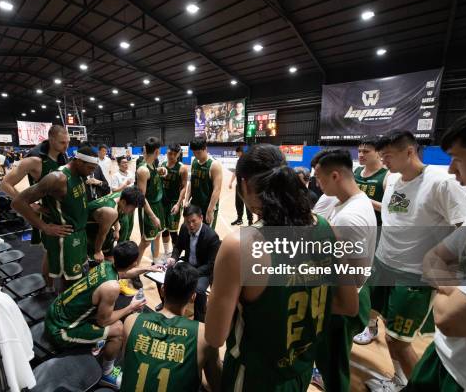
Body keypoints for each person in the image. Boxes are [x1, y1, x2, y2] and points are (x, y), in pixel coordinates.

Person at [205, 144, 358, 391]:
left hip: (254, 377)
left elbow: (214, 337)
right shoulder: (328, 228)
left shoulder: (240, 245)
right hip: (301, 371)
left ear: (244, 185)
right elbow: (349, 306)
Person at [362, 130, 466, 391]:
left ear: (409, 151)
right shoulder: (394, 180)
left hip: (413, 275)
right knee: (386, 328)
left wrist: (449, 274)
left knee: (398, 342)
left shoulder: (441, 182)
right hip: (384, 265)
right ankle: (398, 380)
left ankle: (414, 386)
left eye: (387, 155)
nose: (384, 160)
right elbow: (396, 215)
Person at [405, 109, 466, 392]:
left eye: (458, 159)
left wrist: (454, 301)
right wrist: (458, 291)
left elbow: (450, 320)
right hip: (444, 354)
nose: (452, 169)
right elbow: (433, 257)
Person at [44, 241, 160, 389]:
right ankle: (107, 374)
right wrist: (131, 307)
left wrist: (149, 268)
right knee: (118, 329)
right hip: (61, 330)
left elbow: (125, 273)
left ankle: (96, 340)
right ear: (134, 262)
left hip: (56, 311)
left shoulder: (106, 265)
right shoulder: (112, 287)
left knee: (104, 311)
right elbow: (104, 321)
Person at [310, 149, 377, 392]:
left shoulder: (350, 217)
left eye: (319, 178)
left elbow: (355, 274)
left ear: (335, 175)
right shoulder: (352, 202)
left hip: (342, 303)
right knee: (332, 362)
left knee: (334, 370)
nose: (316, 184)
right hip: (352, 295)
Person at [121, 263, 222, 392]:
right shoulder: (204, 334)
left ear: (162, 290)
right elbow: (218, 385)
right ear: (193, 297)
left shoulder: (131, 321)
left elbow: (129, 364)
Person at [11, 146, 98, 287]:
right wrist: (44, 227)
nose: (91, 173)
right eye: (90, 168)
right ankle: (61, 306)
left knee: (77, 277)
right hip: (66, 237)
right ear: (79, 162)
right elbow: (18, 202)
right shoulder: (57, 178)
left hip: (79, 233)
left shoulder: (80, 175)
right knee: (69, 282)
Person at [0, 125, 69, 291]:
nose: (66, 146)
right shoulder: (34, 160)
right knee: (50, 253)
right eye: (62, 143)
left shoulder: (62, 156)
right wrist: (31, 204)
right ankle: (48, 288)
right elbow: (5, 184)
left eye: (68, 142)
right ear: (51, 140)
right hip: (46, 215)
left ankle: (61, 288)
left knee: (62, 253)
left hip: (60, 212)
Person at [352, 136, 390, 346]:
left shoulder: (387, 177)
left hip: (377, 235)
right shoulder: (356, 173)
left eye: (366, 151)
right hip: (357, 233)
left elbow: (390, 210)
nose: (361, 154)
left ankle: (372, 324)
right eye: (359, 151)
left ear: (378, 153)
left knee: (371, 281)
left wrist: (364, 200)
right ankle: (357, 317)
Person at [161, 205, 220, 321]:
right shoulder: (184, 228)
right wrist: (173, 258)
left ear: (201, 218)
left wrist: (191, 273)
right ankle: (167, 306)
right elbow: (178, 247)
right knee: (167, 274)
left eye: (193, 221)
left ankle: (199, 318)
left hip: (203, 271)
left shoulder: (212, 236)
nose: (191, 225)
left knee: (198, 289)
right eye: (188, 222)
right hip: (188, 265)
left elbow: (211, 265)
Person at [85, 187, 145, 296]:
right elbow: (101, 234)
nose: (132, 211)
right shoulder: (110, 212)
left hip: (100, 225)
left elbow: (114, 214)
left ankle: (117, 281)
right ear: (123, 202)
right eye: (132, 208)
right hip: (87, 230)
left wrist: (117, 228)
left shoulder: (118, 197)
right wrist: (98, 251)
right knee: (96, 261)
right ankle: (95, 288)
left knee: (112, 258)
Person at [136, 137, 165, 275]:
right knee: (145, 242)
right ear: (157, 151)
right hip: (148, 209)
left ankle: (156, 262)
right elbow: (141, 197)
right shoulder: (143, 170)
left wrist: (160, 171)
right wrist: (152, 216)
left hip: (158, 205)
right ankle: (135, 270)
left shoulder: (153, 166)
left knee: (158, 235)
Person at [186, 137, 222, 229]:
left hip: (207, 206)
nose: (196, 155)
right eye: (194, 153)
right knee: (192, 232)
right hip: (195, 204)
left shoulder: (214, 165)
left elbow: (217, 189)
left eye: (198, 153)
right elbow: (191, 183)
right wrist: (186, 200)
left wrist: (210, 210)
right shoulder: (194, 162)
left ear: (205, 149)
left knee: (206, 236)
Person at [160, 143, 188, 260]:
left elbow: (184, 187)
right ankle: (166, 252)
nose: (171, 156)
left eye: (174, 154)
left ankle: (175, 255)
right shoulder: (162, 165)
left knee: (173, 230)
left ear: (178, 154)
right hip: (162, 202)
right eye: (169, 153)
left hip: (174, 202)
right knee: (164, 228)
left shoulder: (182, 168)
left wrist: (178, 204)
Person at [229, 146, 254, 225]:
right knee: (238, 203)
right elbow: (235, 172)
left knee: (247, 203)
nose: (236, 154)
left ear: (240, 152)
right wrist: (231, 182)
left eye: (237, 153)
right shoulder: (238, 161)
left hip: (247, 186)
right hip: (239, 186)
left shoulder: (247, 161)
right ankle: (239, 219)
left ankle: (250, 221)